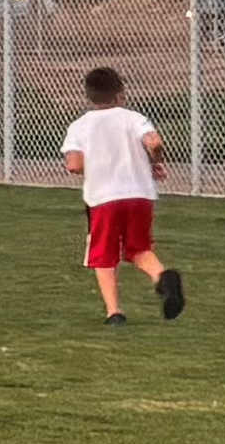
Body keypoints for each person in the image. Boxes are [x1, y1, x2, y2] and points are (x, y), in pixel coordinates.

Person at [62, 64, 181, 324]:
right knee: (138, 248)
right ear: (120, 94)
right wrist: (155, 160)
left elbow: (74, 164)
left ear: (90, 96)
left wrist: (89, 165)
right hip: (139, 194)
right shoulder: (134, 117)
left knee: (103, 254)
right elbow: (154, 142)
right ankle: (162, 276)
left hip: (103, 197)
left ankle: (114, 311)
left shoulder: (80, 126)